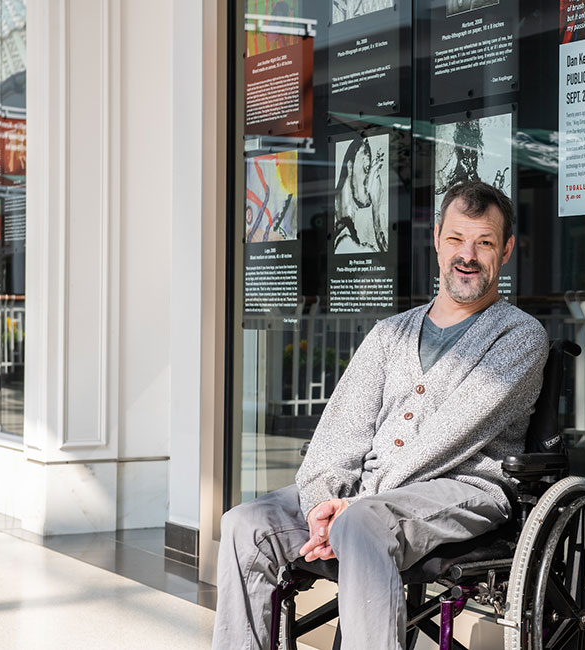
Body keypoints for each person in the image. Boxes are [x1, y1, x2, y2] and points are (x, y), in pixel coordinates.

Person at [212, 181, 549, 650]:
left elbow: (453, 434)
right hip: (368, 495)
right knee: (245, 524)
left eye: (484, 242)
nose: (467, 254)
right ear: (436, 239)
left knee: (363, 522)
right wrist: (320, 502)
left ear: (506, 249)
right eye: (456, 239)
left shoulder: (519, 336)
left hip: (469, 486)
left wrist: (358, 503)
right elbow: (340, 428)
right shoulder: (390, 333)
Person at [334, 134, 388, 254]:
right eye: (367, 168)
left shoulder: (345, 228)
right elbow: (388, 263)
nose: (371, 180)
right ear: (350, 167)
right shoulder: (345, 240)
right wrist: (376, 208)